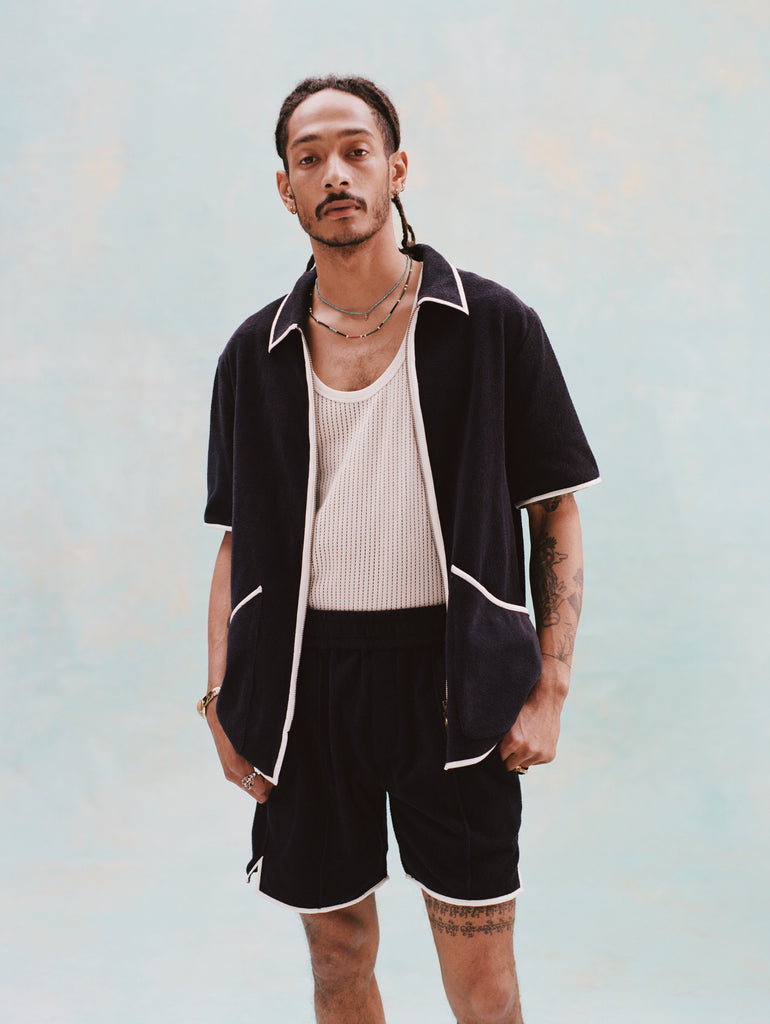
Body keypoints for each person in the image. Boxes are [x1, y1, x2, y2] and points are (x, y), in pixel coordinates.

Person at [200, 75, 600, 1024]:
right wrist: (220, 703)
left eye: (355, 150)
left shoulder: (492, 325)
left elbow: (554, 513)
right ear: (287, 188)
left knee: (483, 979)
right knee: (337, 958)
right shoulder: (254, 354)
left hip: (455, 676)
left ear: (396, 167)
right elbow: (236, 543)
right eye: (309, 159)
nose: (334, 173)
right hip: (308, 683)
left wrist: (549, 690)